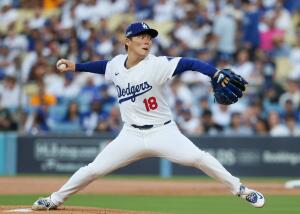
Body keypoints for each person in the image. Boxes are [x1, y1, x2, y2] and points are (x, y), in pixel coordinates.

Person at [32, 22, 265, 210]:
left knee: (198, 158)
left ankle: (242, 190)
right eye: (141, 36)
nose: (147, 40)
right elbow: (104, 66)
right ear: (127, 41)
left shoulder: (156, 65)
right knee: (93, 170)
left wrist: (214, 73)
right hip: (130, 135)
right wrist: (76, 66)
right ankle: (54, 200)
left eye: (149, 37)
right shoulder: (115, 65)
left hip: (163, 131)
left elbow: (190, 62)